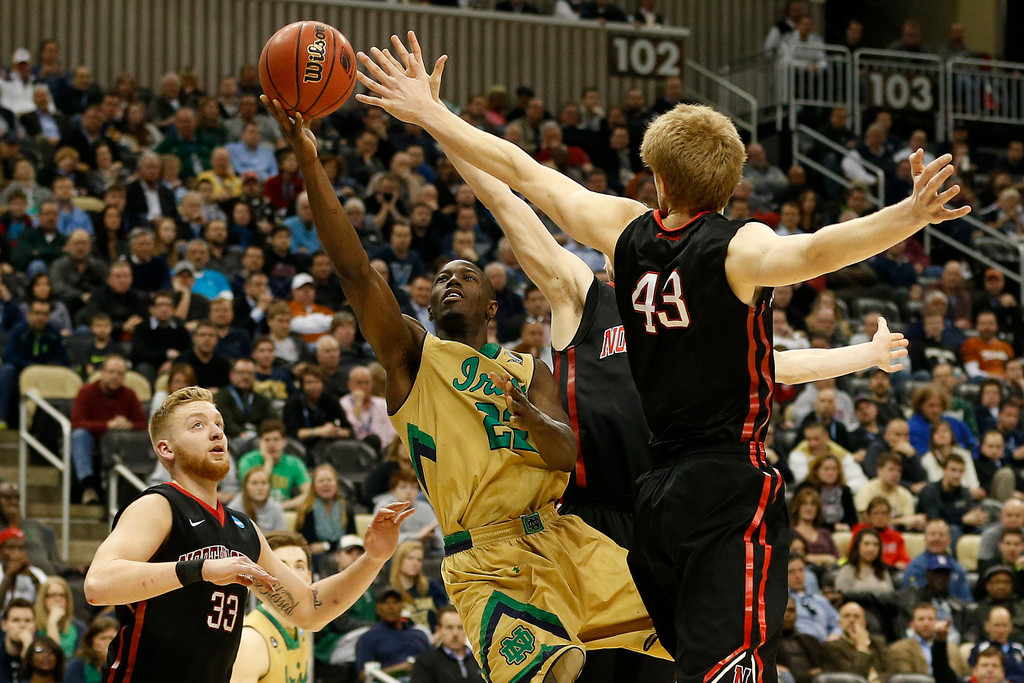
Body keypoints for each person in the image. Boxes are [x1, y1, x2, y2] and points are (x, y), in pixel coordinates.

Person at [360, 28, 968, 675]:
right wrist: (909, 214)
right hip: (689, 493)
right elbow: (816, 251)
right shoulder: (730, 252)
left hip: (655, 498)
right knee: (723, 661)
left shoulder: (625, 230)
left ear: (655, 181)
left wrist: (430, 112)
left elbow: (525, 173)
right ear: (731, 185)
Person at [264, 89, 674, 683]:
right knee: (558, 672)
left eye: (466, 276)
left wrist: (534, 421)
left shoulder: (532, 371)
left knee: (694, 633)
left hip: (562, 538)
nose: (449, 283)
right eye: (440, 280)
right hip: (484, 559)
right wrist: (308, 158)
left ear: (493, 303)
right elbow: (354, 271)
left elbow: (565, 452)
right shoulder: (412, 356)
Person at [83, 386, 414, 682]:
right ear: (166, 449)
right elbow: (98, 585)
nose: (216, 433)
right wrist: (200, 570)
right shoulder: (159, 505)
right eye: (198, 425)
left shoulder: (242, 529)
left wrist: (375, 559)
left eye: (219, 425)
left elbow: (309, 610)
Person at [229, 531, 313, 683]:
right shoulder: (251, 640)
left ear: (309, 577)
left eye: (299, 567)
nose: (292, 574)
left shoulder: (302, 628)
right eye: (282, 566)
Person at [69, 355, 147, 504]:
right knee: (79, 435)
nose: (115, 377)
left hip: (118, 445)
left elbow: (143, 425)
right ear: (102, 373)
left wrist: (129, 425)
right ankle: (88, 487)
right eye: (111, 372)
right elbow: (76, 423)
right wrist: (107, 425)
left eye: (120, 374)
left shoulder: (129, 395)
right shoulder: (86, 392)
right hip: (92, 442)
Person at [0, 300, 68, 429]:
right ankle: (1, 418)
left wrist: (50, 365)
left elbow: (64, 360)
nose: (40, 317)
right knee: (6, 370)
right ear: (28, 314)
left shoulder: (54, 334)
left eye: (45, 314)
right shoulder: (19, 330)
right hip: (20, 373)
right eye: (37, 313)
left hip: (45, 376)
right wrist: (31, 366)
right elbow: (8, 356)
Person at [356, 586, 433, 681]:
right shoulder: (369, 637)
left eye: (395, 602)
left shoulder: (419, 634)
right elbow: (363, 675)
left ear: (402, 606)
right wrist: (398, 669)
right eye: (385, 602)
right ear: (377, 608)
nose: (391, 607)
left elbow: (435, 663)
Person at [237, 419, 310, 511]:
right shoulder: (247, 461)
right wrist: (268, 462)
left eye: (276, 440)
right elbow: (250, 493)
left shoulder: (294, 463)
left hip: (283, 512)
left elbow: (309, 493)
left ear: (284, 442)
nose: (271, 445)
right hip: (254, 511)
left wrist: (280, 507)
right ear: (260, 442)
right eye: (267, 440)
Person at [885, 602, 966, 683]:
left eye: (930, 619)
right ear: (912, 624)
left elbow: (962, 676)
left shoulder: (952, 648)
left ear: (937, 621)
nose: (926, 623)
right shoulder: (899, 649)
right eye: (921, 619)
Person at [294, 463, 355, 563]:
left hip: (344, 553)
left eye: (329, 480)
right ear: (314, 486)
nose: (325, 484)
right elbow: (308, 544)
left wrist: (326, 545)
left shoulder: (346, 508)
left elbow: (351, 539)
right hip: (316, 557)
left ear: (336, 484)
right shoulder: (307, 510)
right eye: (321, 481)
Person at [902, 519, 974, 603]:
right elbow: (910, 600)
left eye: (941, 534)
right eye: (932, 534)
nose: (937, 538)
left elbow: (967, 600)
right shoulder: (915, 567)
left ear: (949, 540)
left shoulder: (957, 568)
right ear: (925, 539)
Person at [411, 605, 484, 683]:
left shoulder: (481, 659)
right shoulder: (425, 662)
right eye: (449, 627)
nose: (455, 633)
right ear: (438, 630)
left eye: (460, 627)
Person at [389, 540, 449, 631]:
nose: (415, 563)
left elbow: (446, 614)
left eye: (419, 560)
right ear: (399, 560)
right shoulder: (390, 592)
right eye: (410, 558)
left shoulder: (431, 587)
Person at [823, 601, 888, 683]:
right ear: (839, 623)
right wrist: (862, 647)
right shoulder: (831, 647)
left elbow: (890, 672)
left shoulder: (878, 643)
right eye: (847, 616)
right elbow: (853, 678)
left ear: (864, 624)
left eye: (856, 616)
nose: (852, 620)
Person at [32, 576, 86, 660]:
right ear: (43, 599)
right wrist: (52, 623)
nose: (58, 599)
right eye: (53, 595)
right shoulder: (34, 627)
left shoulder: (79, 628)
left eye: (62, 595)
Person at [969, 606, 1024, 683]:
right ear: (987, 626)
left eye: (1004, 625)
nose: (1001, 630)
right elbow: (974, 676)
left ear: (1011, 626)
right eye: (997, 625)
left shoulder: (1020, 649)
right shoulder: (979, 649)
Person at [833, 528, 895, 596]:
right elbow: (842, 599)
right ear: (857, 547)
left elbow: (891, 597)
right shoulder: (847, 571)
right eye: (866, 544)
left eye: (876, 545)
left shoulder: (883, 570)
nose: (871, 549)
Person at [230, 467, 288, 533]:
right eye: (254, 483)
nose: (260, 488)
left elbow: (281, 537)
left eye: (264, 483)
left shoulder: (276, 508)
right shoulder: (234, 509)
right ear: (245, 487)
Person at [0, 528, 48, 607]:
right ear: (1, 550)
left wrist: (32, 577)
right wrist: (8, 576)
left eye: (21, 548)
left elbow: (47, 604)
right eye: (11, 547)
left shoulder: (37, 573)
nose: (17, 553)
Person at [64, 616, 119, 683]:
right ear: (91, 641)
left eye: (112, 638)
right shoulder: (78, 665)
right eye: (103, 638)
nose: (108, 643)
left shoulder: (126, 664)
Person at [0, 598, 34, 683]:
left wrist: (28, 651)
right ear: (4, 624)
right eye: (16, 620)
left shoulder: (43, 658)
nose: (22, 625)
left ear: (35, 626)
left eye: (28, 621)